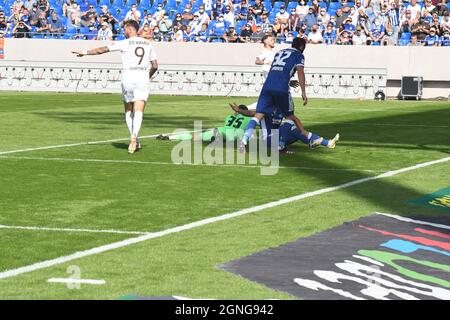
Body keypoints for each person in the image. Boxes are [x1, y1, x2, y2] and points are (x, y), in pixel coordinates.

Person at [72, 20, 158, 154]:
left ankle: (134, 138)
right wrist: (147, 77)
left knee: (129, 110)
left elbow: (102, 50)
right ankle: (135, 137)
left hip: (128, 78)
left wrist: (85, 52)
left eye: (125, 29)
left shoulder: (124, 43)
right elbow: (155, 66)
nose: (124, 32)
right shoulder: (148, 44)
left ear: (130, 29)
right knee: (139, 110)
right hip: (142, 78)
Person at [240, 37, 309, 153]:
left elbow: (276, 71)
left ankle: (244, 141)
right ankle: (287, 143)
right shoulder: (299, 55)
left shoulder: (279, 52)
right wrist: (303, 91)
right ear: (302, 47)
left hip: (267, 86)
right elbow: (301, 73)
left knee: (258, 115)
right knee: (290, 118)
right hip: (281, 88)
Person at [157, 104, 253, 143]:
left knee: (194, 137)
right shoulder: (249, 119)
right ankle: (216, 138)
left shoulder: (229, 117)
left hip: (221, 130)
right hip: (233, 135)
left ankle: (169, 137)